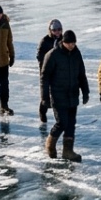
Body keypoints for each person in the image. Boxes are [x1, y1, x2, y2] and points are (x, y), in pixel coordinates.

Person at [40, 29, 89, 161]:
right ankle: (50, 145)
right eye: (69, 43)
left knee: (71, 123)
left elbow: (81, 74)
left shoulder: (76, 54)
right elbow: (45, 78)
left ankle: (68, 151)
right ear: (63, 42)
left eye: (73, 43)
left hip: (73, 94)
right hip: (58, 94)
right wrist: (44, 97)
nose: (72, 45)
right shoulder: (53, 55)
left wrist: (85, 91)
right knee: (62, 122)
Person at [35, 19, 63, 123]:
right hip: (47, 72)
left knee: (59, 94)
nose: (57, 32)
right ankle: (42, 110)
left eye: (59, 29)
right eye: (55, 30)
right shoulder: (45, 41)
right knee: (46, 96)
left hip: (59, 72)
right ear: (50, 30)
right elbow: (40, 57)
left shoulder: (63, 40)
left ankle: (60, 117)